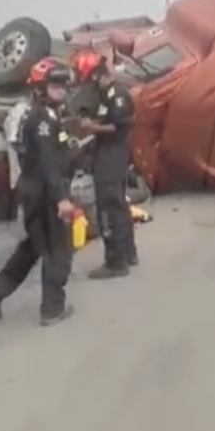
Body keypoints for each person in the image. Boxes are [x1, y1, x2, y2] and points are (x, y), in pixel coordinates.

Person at [0, 57, 77, 326]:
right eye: (55, 85)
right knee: (58, 251)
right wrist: (61, 199)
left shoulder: (48, 115)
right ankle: (52, 309)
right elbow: (46, 163)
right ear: (40, 88)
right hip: (43, 193)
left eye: (63, 85)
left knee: (33, 248)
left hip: (36, 191)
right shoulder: (41, 119)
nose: (61, 90)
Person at [70, 50, 140, 280]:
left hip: (113, 154)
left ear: (97, 75)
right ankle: (128, 252)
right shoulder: (106, 95)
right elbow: (107, 118)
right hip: (110, 153)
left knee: (109, 207)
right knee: (119, 204)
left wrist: (92, 128)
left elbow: (120, 126)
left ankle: (115, 261)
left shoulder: (117, 94)